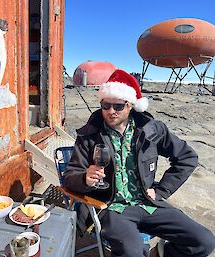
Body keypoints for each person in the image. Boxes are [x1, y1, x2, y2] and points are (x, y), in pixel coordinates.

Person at [63, 69, 215, 257]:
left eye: (118, 106)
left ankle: (160, 252)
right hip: (112, 207)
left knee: (204, 241)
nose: (111, 111)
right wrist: (85, 179)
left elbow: (187, 157)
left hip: (148, 202)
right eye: (106, 105)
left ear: (131, 105)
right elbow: (69, 178)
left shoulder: (152, 130)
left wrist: (162, 190)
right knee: (132, 251)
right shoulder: (89, 135)